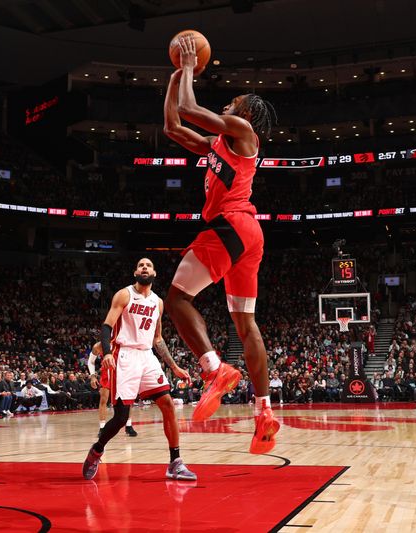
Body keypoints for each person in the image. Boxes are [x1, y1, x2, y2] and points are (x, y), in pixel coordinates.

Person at [162, 35, 279, 454]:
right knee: (245, 325)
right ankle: (264, 411)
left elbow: (193, 110)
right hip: (248, 236)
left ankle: (214, 369)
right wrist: (177, 76)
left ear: (246, 113)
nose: (228, 104)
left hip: (232, 224)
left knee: (176, 299)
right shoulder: (216, 145)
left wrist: (190, 68)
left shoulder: (244, 131)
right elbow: (173, 125)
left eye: (233, 101)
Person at [82, 258, 196, 481]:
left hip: (147, 356)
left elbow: (157, 339)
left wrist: (174, 367)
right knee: (121, 417)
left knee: (168, 404)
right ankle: (96, 450)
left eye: (149, 265)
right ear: (135, 272)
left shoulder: (158, 302)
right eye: (141, 265)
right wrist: (106, 353)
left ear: (154, 272)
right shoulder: (124, 295)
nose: (144, 267)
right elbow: (107, 326)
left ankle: (175, 462)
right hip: (124, 355)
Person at [88, 341, 137, 438]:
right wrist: (93, 376)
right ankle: (102, 428)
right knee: (103, 400)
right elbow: (90, 361)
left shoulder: (124, 342)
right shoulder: (99, 345)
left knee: (128, 400)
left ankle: (128, 425)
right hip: (107, 372)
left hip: (123, 372)